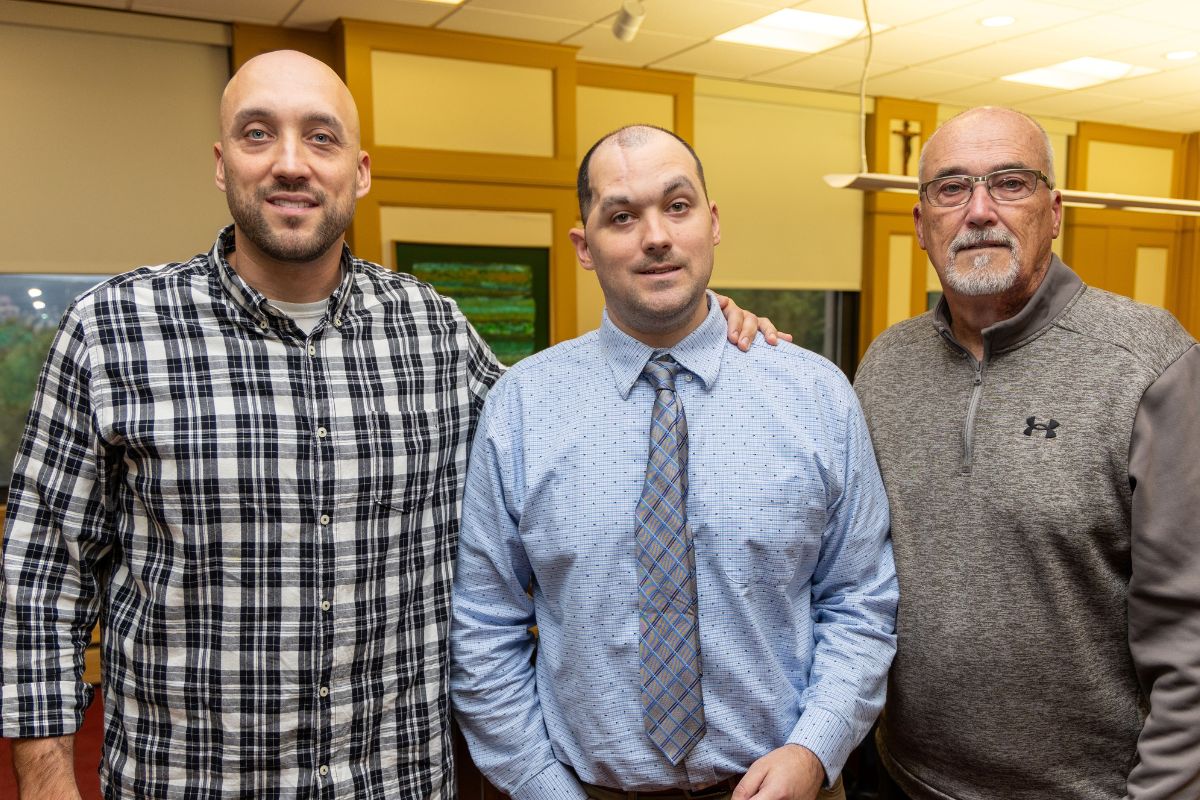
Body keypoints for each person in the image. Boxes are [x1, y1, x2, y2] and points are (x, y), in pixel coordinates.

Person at [0, 52, 772, 798]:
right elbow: (40, 579)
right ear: (220, 161)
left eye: (322, 136)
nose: (292, 163)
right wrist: (43, 785)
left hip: (396, 779)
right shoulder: (112, 332)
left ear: (360, 171)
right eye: (258, 133)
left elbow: (573, 428)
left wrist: (700, 330)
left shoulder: (432, 330)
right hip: (193, 780)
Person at [449, 124, 898, 800]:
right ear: (584, 246)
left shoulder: (815, 395)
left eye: (677, 206)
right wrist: (541, 785)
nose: (655, 236)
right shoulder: (521, 407)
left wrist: (815, 749)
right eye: (621, 216)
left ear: (712, 223)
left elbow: (860, 601)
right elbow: (484, 627)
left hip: (786, 786)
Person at [854, 106, 1200, 800]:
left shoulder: (1150, 364)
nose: (979, 211)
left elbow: (1191, 637)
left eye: (1010, 183)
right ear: (921, 226)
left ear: (1054, 210)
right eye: (951, 189)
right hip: (901, 779)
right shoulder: (885, 367)